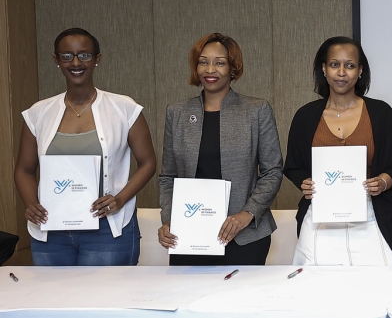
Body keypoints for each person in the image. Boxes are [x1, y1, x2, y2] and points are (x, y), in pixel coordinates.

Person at [15, 27, 156, 265]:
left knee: (105, 291)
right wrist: (31, 204)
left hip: (108, 230)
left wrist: (119, 199)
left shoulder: (124, 108)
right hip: (51, 229)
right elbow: (24, 169)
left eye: (84, 55)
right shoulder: (38, 113)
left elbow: (148, 163)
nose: (76, 62)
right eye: (67, 56)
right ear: (56, 60)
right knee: (53, 291)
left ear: (97, 58)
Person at [157, 33, 283, 265]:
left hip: (245, 236)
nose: (210, 69)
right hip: (189, 234)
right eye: (203, 62)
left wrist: (247, 213)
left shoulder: (256, 110)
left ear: (233, 68)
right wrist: (169, 219)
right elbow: (167, 177)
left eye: (220, 63)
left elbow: (272, 172)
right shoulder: (177, 113)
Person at [284, 37, 392, 266]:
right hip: (320, 217)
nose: (341, 72)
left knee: (381, 281)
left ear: (360, 70)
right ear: (324, 68)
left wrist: (383, 182)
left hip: (372, 216)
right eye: (334, 64)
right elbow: (294, 166)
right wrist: (304, 182)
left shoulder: (381, 113)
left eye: (350, 65)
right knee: (315, 284)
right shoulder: (305, 116)